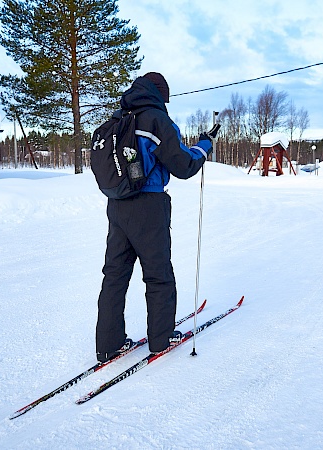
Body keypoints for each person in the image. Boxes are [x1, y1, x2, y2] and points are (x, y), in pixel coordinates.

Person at [95, 72, 219, 362]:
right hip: (149, 205)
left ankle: (108, 344)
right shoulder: (156, 120)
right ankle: (161, 338)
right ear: (160, 94)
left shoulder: (117, 120)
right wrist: (205, 145)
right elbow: (184, 165)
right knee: (158, 273)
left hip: (117, 205)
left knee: (114, 275)